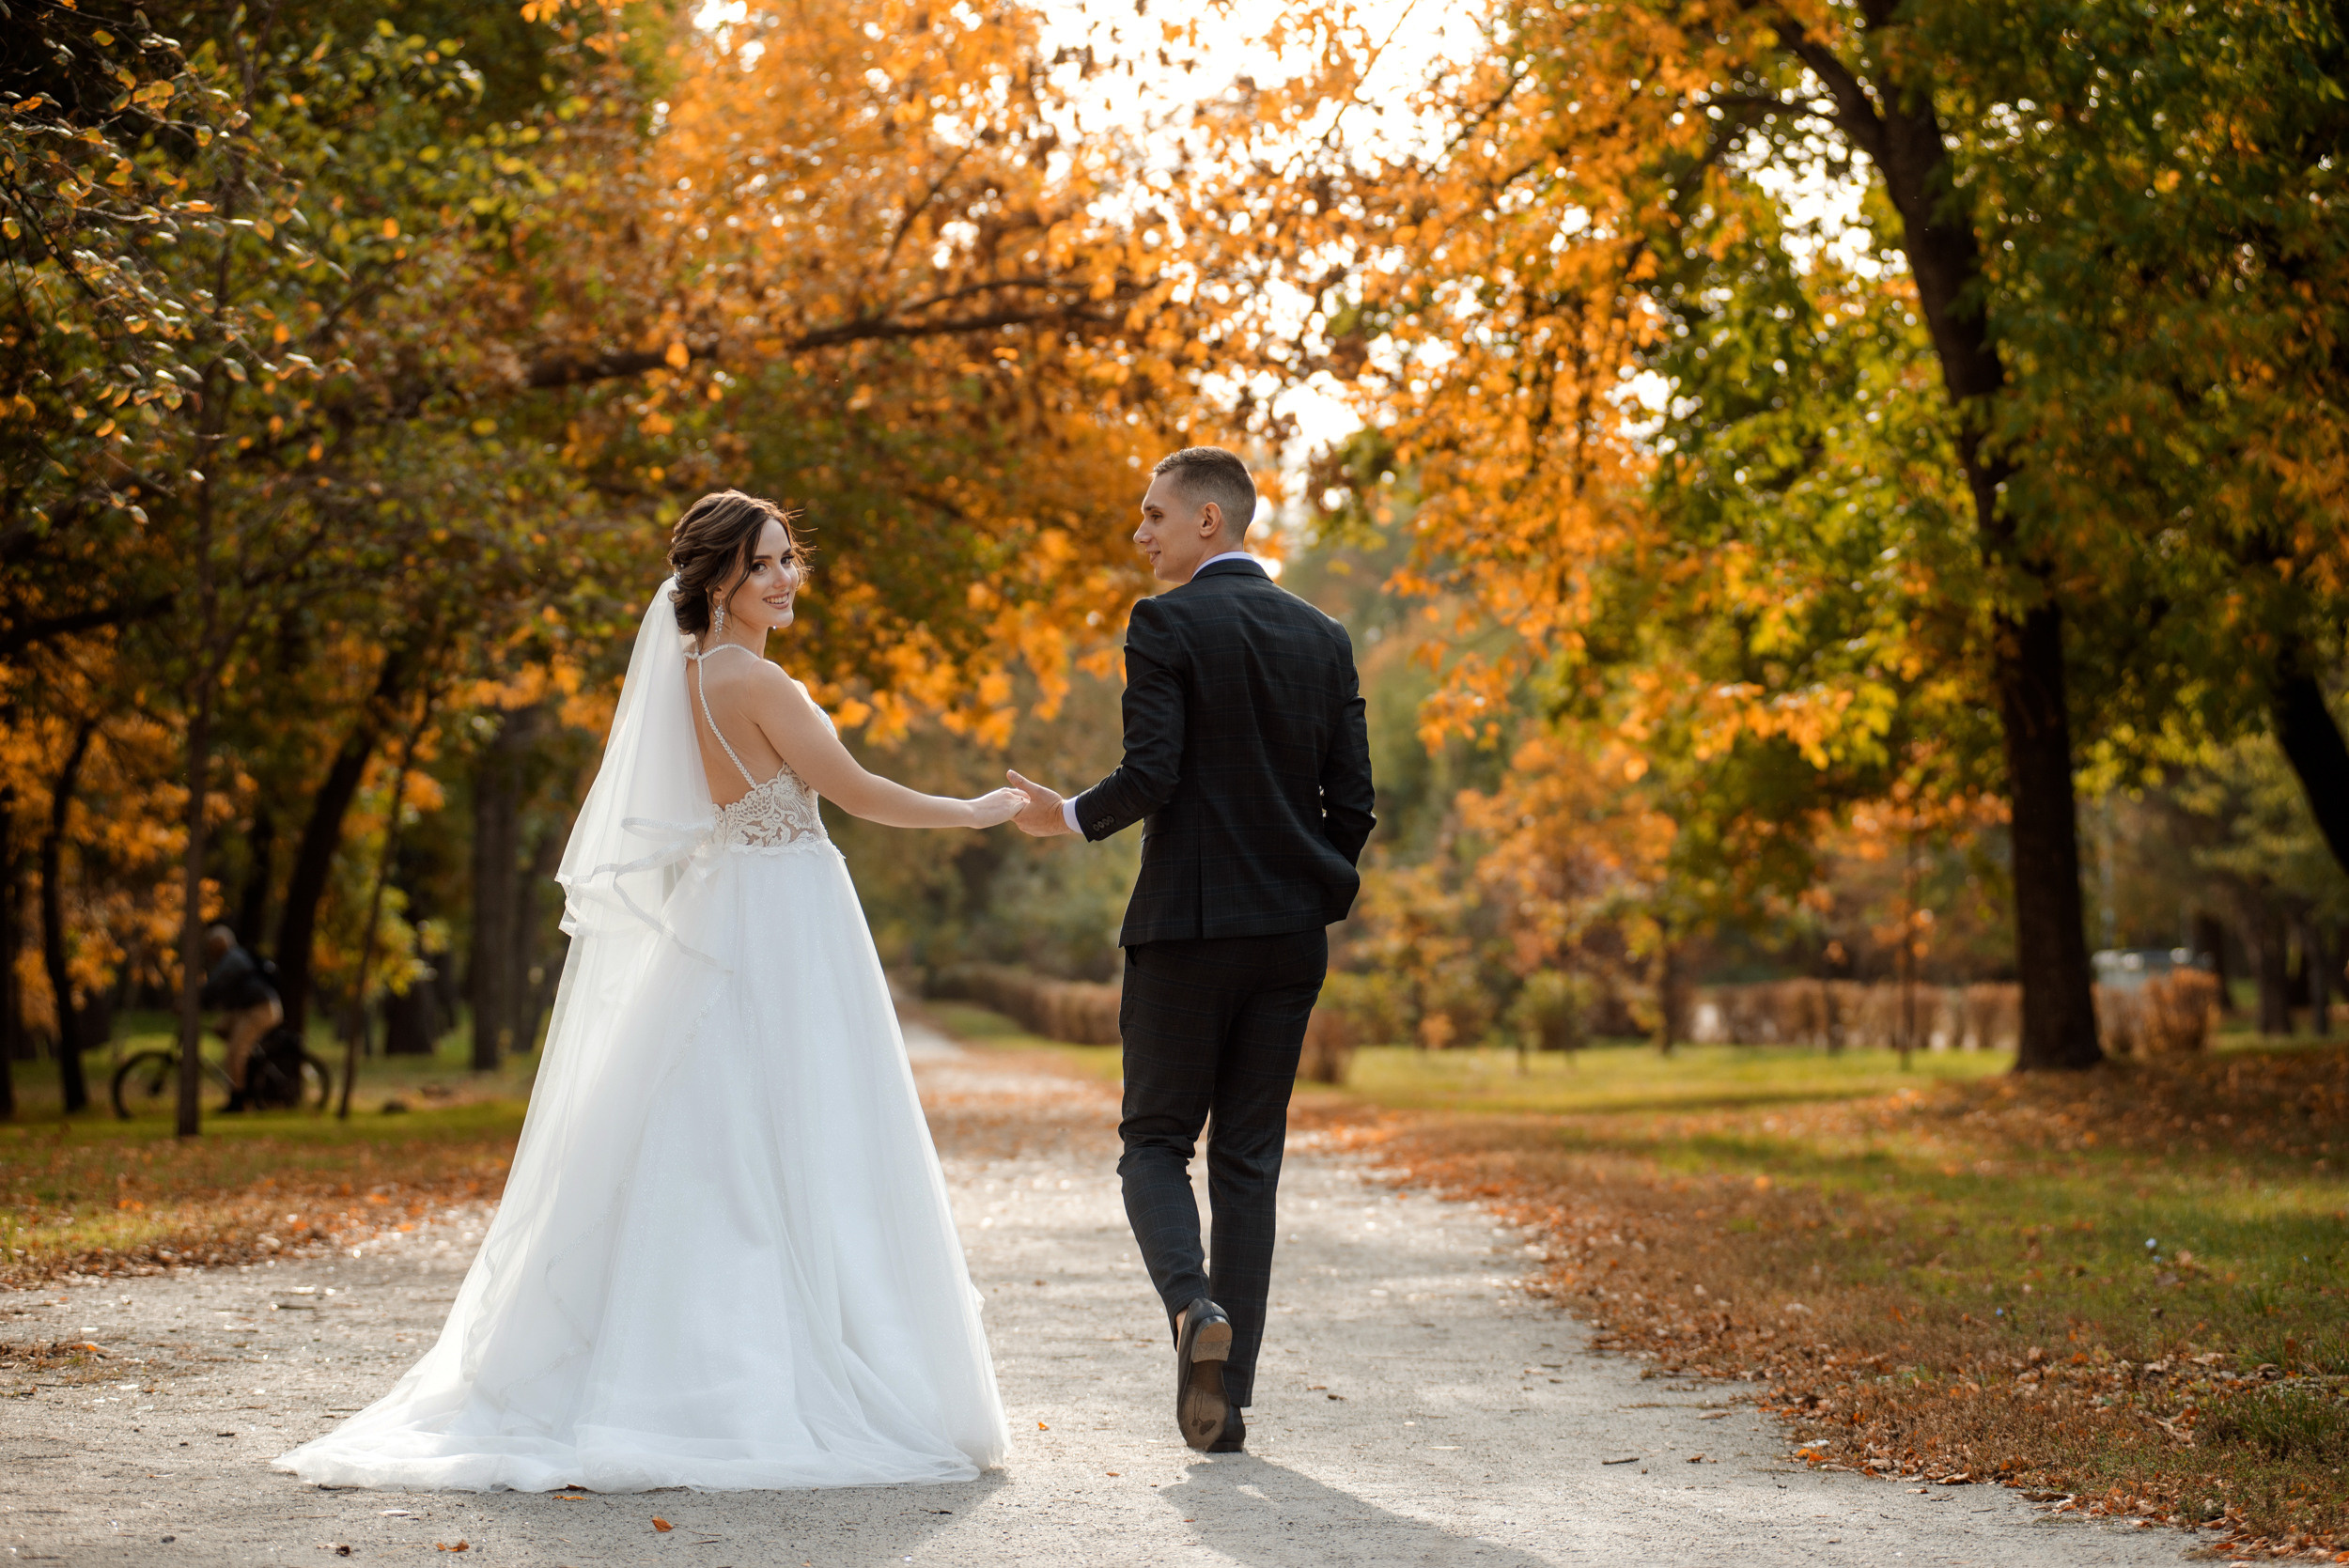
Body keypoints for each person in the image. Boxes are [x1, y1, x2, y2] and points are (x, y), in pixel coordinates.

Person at [276, 490, 1026, 1493]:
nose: (784, 579)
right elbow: (854, 793)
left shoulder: (680, 681)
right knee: (803, 1123)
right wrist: (974, 810)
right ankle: (780, 1365)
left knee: (712, 1122)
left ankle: (667, 1350)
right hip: (789, 908)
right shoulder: (757, 682)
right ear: (716, 578)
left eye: (788, 559)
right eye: (762, 564)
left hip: (728, 906)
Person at [1004, 445, 1376, 1454]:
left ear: (1210, 521)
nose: (1142, 535)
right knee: (1249, 1162)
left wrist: (1066, 816)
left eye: (1154, 516)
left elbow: (1151, 772)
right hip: (1289, 939)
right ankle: (1229, 1394)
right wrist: (1310, 884)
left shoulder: (1165, 622)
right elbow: (1356, 804)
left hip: (1185, 928)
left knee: (1156, 1143)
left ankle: (1190, 1308)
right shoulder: (1325, 635)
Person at [200, 924, 281, 1112]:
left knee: (235, 1052)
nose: (210, 950)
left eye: (212, 945)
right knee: (219, 1029)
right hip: (244, 1010)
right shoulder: (230, 958)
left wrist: (192, 999)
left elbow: (215, 985)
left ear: (220, 945)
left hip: (261, 1009)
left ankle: (238, 1099)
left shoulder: (233, 959)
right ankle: (248, 1071)